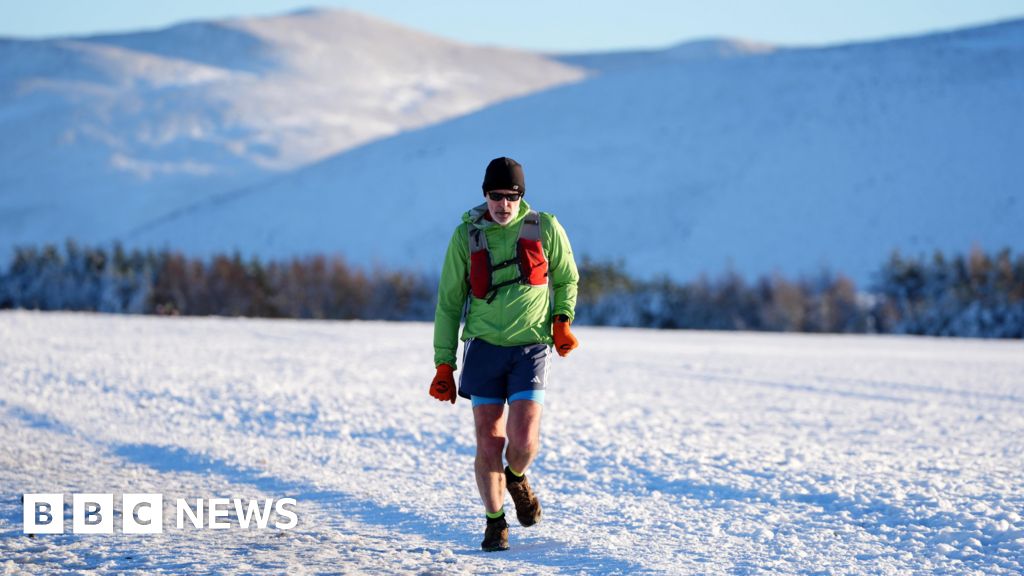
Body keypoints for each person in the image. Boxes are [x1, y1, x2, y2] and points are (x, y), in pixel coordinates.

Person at [429, 156, 580, 552]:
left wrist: (562, 321)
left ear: (521, 197)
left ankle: (516, 477)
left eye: (510, 197)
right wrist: (444, 364)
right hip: (482, 348)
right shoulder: (467, 235)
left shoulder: (545, 227)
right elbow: (448, 303)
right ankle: (495, 522)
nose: (503, 205)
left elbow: (566, 278)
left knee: (525, 438)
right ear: (485, 195)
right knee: (487, 440)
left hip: (530, 347)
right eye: (496, 196)